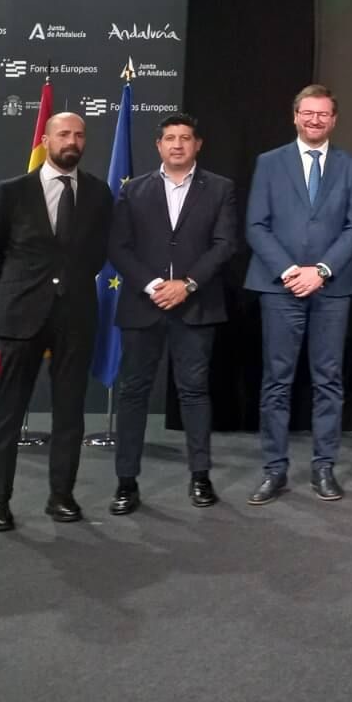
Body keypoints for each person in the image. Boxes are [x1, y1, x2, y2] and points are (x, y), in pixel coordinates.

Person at [0, 112, 113, 531]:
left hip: (76, 317)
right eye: (63, 134)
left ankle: (61, 496)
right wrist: (21, 292)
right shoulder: (11, 192)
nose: (72, 141)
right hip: (21, 318)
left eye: (79, 135)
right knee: (8, 413)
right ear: (46, 140)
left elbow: (97, 254)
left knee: (70, 412)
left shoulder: (99, 193)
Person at [106, 112, 238, 515]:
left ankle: (200, 477)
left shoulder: (220, 188)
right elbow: (118, 246)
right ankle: (126, 483)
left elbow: (225, 244)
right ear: (159, 145)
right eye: (170, 138)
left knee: (194, 392)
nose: (177, 144)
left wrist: (187, 284)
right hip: (142, 305)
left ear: (197, 144)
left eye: (185, 138)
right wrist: (153, 286)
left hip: (196, 305)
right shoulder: (133, 190)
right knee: (133, 393)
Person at [243, 84, 352, 505]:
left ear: (334, 120)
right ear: (295, 116)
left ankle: (323, 467)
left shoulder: (351, 166)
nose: (315, 120)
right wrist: (290, 271)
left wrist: (322, 270)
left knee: (328, 381)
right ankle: (274, 470)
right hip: (279, 286)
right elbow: (256, 225)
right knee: (276, 382)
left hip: (332, 288)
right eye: (308, 113)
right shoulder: (269, 163)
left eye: (323, 114)